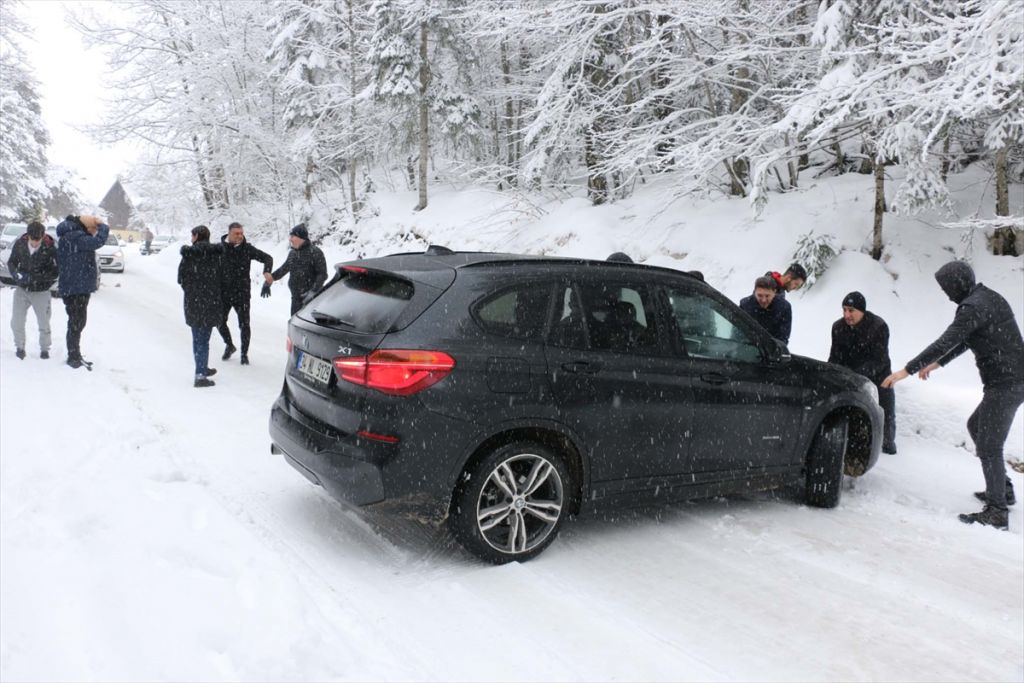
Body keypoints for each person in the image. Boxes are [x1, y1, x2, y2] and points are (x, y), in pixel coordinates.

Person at [882, 261, 1024, 530]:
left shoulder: (973, 306)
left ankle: (997, 511)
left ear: (958, 283)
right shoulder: (987, 297)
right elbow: (970, 337)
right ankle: (1002, 489)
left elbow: (947, 340)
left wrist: (905, 371)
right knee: (976, 427)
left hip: (1007, 383)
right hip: (1012, 380)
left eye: (947, 288)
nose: (947, 295)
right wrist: (938, 364)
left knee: (990, 445)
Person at [828, 292, 897, 454]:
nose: (847, 315)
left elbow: (879, 360)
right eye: (844, 310)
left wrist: (857, 375)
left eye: (851, 310)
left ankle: (887, 444)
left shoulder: (878, 326)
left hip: (880, 375)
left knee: (885, 411)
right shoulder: (838, 327)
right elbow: (834, 356)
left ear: (862, 311)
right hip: (850, 375)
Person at [56, 214, 109, 369]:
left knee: (77, 321)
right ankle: (73, 356)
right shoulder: (75, 236)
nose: (95, 232)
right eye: (94, 229)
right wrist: (103, 226)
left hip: (75, 286)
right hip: (75, 288)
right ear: (89, 227)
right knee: (76, 322)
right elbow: (98, 242)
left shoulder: (71, 234)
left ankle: (75, 353)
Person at [217, 222, 273, 365]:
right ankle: (229, 345)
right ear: (228, 233)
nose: (240, 236)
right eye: (236, 233)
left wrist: (266, 271)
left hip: (242, 293)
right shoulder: (219, 249)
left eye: (241, 233)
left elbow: (268, 258)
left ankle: (244, 354)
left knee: (244, 324)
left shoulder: (247, 249)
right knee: (219, 321)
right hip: (224, 294)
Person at [178, 225, 224, 388]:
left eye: (192, 235)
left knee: (199, 339)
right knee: (204, 339)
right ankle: (201, 371)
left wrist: (192, 291)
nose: (191, 238)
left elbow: (181, 278)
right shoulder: (217, 254)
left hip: (194, 302)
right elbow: (222, 277)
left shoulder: (189, 255)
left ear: (197, 236)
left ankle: (201, 371)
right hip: (211, 302)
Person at [7, 221, 59, 360]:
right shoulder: (20, 244)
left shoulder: (50, 248)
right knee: (16, 321)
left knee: (44, 323)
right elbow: (11, 262)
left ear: (43, 237)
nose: (35, 243)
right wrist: (16, 274)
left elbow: (55, 272)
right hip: (22, 290)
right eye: (33, 240)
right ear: (28, 236)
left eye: (38, 240)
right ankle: (20, 347)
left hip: (41, 292)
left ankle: (44, 349)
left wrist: (36, 278)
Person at [267, 223, 327, 316]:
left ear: (300, 237)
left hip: (310, 299)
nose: (290, 239)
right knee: (294, 324)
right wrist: (269, 280)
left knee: (307, 327)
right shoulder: (293, 253)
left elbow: (322, 274)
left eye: (292, 236)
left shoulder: (315, 252)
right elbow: (284, 269)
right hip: (295, 299)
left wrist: (313, 292)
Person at [739, 275, 792, 344]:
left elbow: (783, 338)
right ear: (754, 292)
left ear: (774, 292)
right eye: (760, 295)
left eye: (767, 296)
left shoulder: (784, 307)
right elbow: (737, 332)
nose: (763, 300)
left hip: (771, 349)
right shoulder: (745, 305)